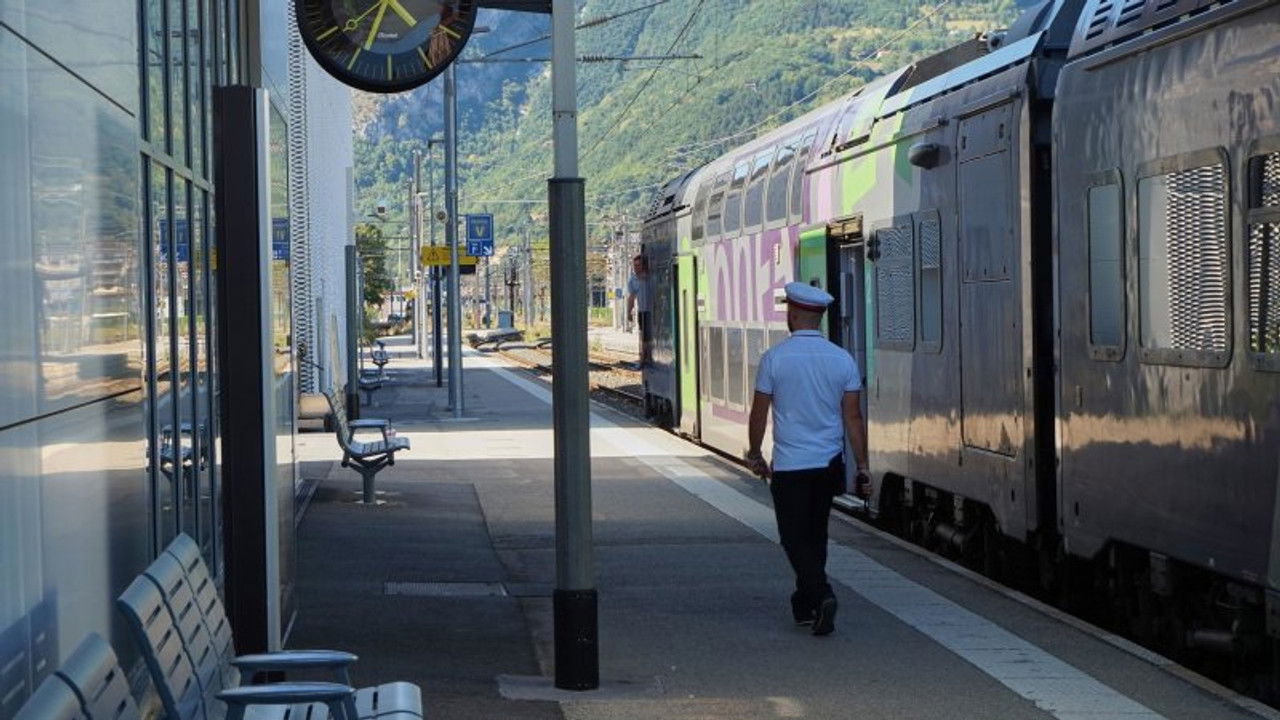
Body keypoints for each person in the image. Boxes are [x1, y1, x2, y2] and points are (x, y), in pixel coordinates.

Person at [745, 281, 870, 636]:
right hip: (829, 464)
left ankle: (822, 593)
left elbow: (758, 414)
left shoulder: (775, 359)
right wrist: (863, 466)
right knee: (816, 534)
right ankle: (806, 604)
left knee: (792, 536)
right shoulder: (842, 359)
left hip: (791, 465)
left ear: (794, 315)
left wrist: (755, 454)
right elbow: (853, 418)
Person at [625, 255, 652, 366]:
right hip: (642, 311)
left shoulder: (651, 277)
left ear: (644, 265)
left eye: (639, 265)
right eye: (635, 265)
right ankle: (643, 358)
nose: (636, 268)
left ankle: (646, 357)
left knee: (648, 336)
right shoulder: (632, 279)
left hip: (653, 311)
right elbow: (631, 296)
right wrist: (629, 312)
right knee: (643, 336)